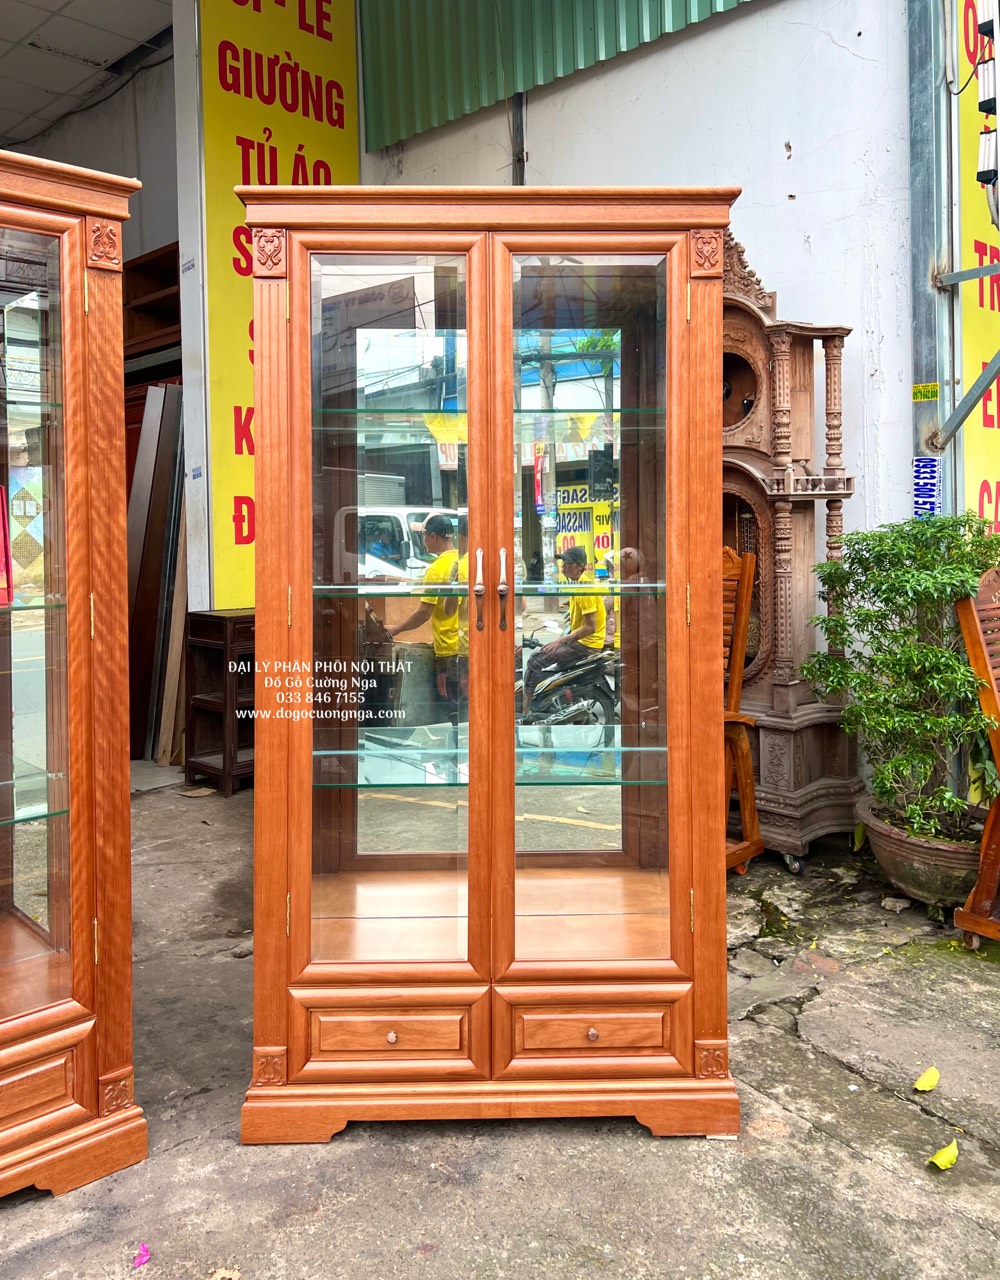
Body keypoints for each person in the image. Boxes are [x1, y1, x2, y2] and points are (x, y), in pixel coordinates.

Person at [387, 513, 459, 711]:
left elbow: (424, 613)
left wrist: (395, 629)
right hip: (466, 645)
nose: (423, 539)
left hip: (448, 651)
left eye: (423, 535)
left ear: (433, 536)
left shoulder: (436, 570)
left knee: (451, 708)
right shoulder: (463, 561)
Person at [522, 544, 606, 715]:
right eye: (563, 562)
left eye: (568, 563)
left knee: (535, 661)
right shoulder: (578, 585)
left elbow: (590, 627)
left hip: (587, 645)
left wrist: (561, 641)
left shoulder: (585, 589)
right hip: (582, 642)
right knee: (546, 658)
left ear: (580, 566)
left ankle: (526, 708)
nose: (563, 566)